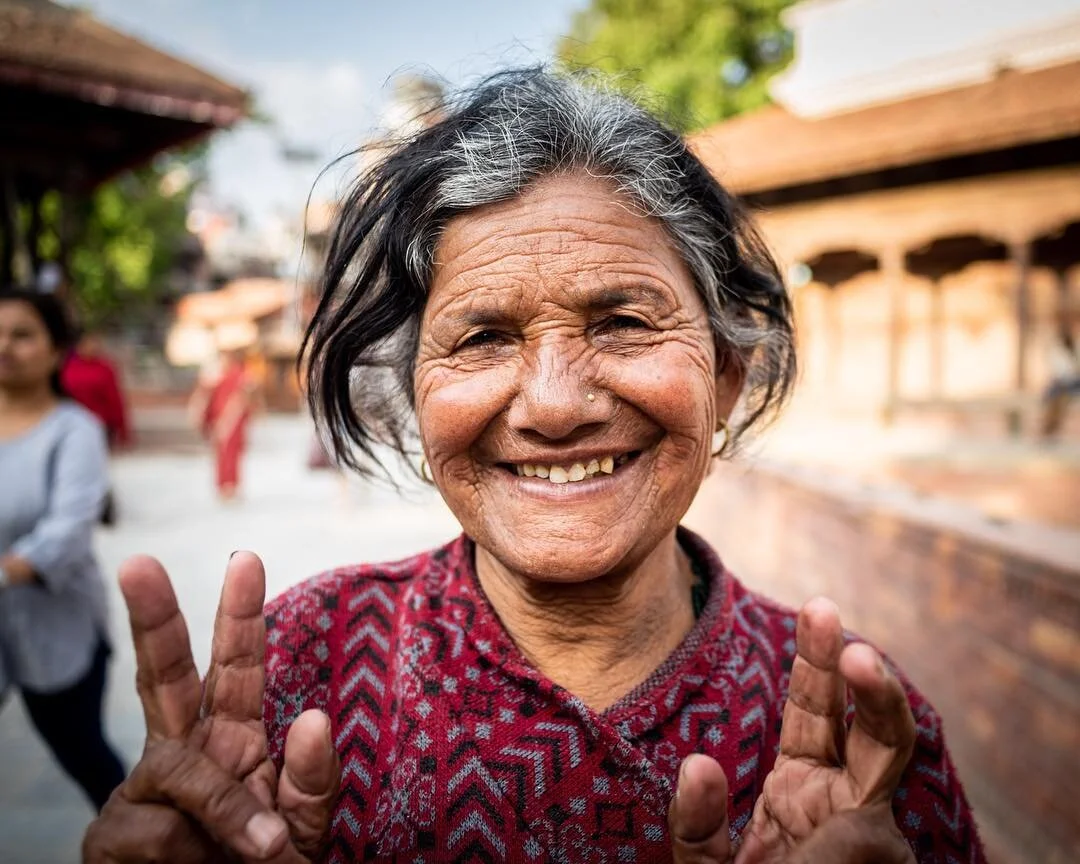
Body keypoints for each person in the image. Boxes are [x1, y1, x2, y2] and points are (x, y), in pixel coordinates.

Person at [84, 70, 986, 863]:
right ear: (412, 395)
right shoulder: (299, 667)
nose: (555, 405)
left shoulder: (859, 738)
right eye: (481, 337)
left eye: (624, 323)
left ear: (724, 375)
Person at [0, 287, 126, 812]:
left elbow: (67, 532)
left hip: (59, 630)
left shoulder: (75, 430)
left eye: (22, 334)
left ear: (56, 351)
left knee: (84, 753)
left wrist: (12, 569)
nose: (4, 345)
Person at [62, 328, 133, 525]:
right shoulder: (66, 367)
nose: (93, 346)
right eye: (88, 342)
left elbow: (115, 399)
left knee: (98, 470)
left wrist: (123, 429)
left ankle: (103, 509)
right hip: (69, 430)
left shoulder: (104, 368)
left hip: (100, 427)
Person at [188, 346, 258, 501]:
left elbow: (242, 398)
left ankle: (231, 485)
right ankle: (223, 485)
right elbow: (203, 394)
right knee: (221, 454)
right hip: (218, 418)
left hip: (232, 420)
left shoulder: (240, 374)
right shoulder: (218, 374)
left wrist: (227, 421)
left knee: (231, 453)